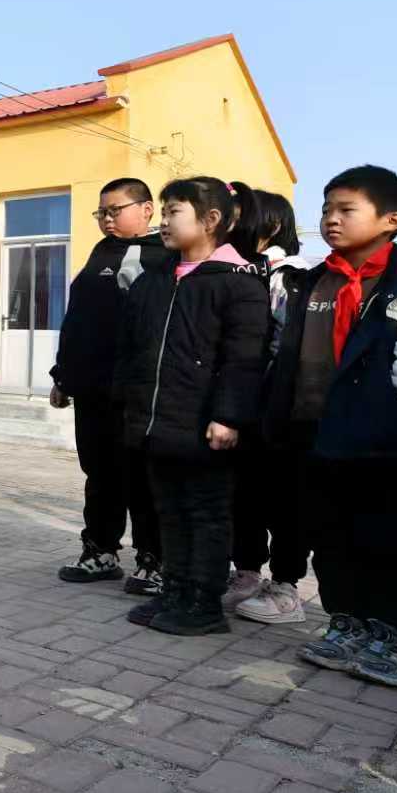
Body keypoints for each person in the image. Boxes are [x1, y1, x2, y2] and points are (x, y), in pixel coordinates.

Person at [263, 166, 397, 688]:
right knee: (330, 537)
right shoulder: (313, 280)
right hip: (315, 434)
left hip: (386, 441)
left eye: (346, 210)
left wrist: (388, 415)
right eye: (326, 209)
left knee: (392, 541)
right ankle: (346, 622)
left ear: (391, 220)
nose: (331, 219)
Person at [116, 177, 268, 636]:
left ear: (211, 219)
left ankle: (203, 603)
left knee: (205, 514)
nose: (163, 221)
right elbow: (134, 349)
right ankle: (176, 590)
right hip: (158, 422)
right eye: (162, 212)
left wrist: (228, 416)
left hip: (205, 426)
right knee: (170, 510)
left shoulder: (238, 283)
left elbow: (244, 359)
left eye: (173, 212)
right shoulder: (154, 280)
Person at [51, 177, 169, 595]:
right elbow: (78, 320)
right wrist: (62, 375)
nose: (106, 219)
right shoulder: (101, 251)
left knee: (141, 477)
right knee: (99, 474)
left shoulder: (164, 256)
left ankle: (154, 559)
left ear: (146, 209)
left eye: (114, 210)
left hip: (137, 391)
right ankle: (100, 551)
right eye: (101, 212)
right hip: (92, 388)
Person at [231, 189, 313, 624]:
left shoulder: (292, 274)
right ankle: (246, 572)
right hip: (240, 399)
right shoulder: (234, 270)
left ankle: (286, 586)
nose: (230, 223)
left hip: (279, 403)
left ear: (273, 224)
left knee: (286, 498)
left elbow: (287, 343)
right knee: (243, 493)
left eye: (240, 215)